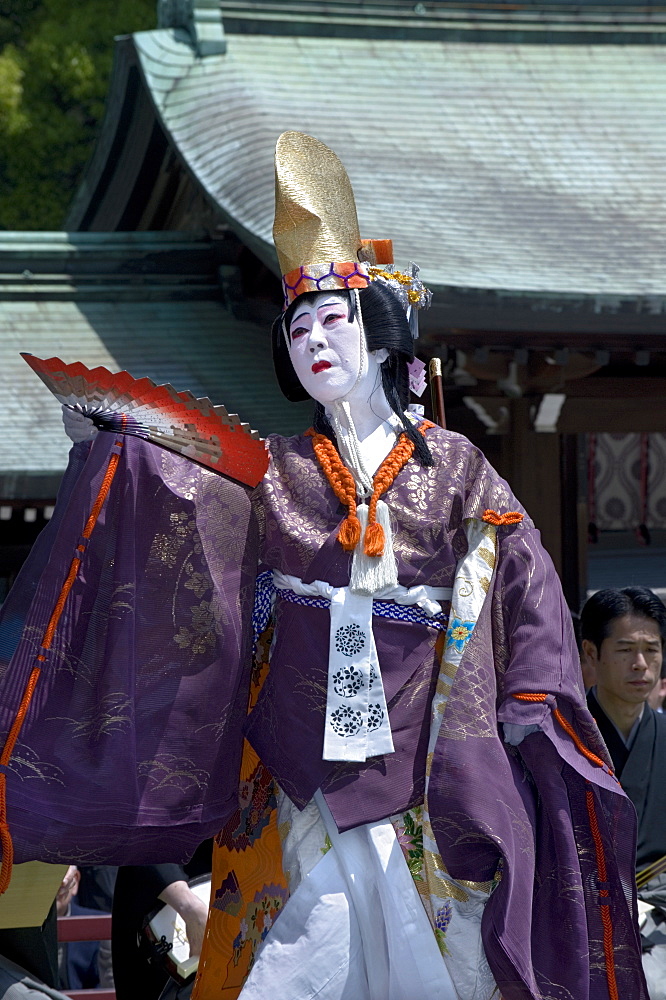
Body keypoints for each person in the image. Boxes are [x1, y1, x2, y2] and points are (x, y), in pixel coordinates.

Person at [0, 132, 646, 1000]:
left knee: (449, 973)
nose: (312, 339)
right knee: (291, 968)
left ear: (381, 336)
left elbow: (522, 591)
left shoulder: (457, 468)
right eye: (297, 326)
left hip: (427, 763)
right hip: (295, 775)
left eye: (333, 319)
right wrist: (123, 461)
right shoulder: (269, 470)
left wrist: (528, 705)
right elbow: (189, 539)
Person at [582, 586, 666, 999]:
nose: (641, 664)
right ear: (591, 653)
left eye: (651, 650)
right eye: (625, 649)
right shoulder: (559, 744)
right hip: (582, 924)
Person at [55, 865, 112, 992]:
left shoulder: (100, 927)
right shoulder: (15, 929)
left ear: (75, 882)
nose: (52, 888)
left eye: (58, 881)